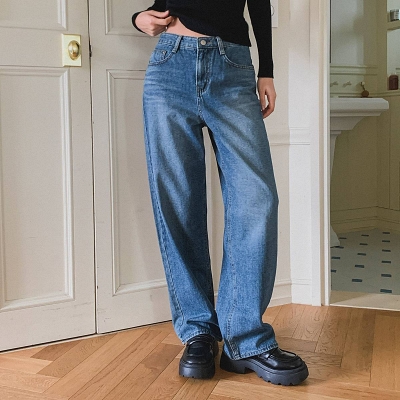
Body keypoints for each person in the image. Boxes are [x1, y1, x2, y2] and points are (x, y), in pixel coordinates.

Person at [131, 0, 309, 386]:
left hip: (233, 65)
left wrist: (267, 70)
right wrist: (139, 18)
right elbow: (162, 6)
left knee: (257, 199)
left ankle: (245, 339)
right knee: (179, 203)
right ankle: (198, 332)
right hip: (171, 64)